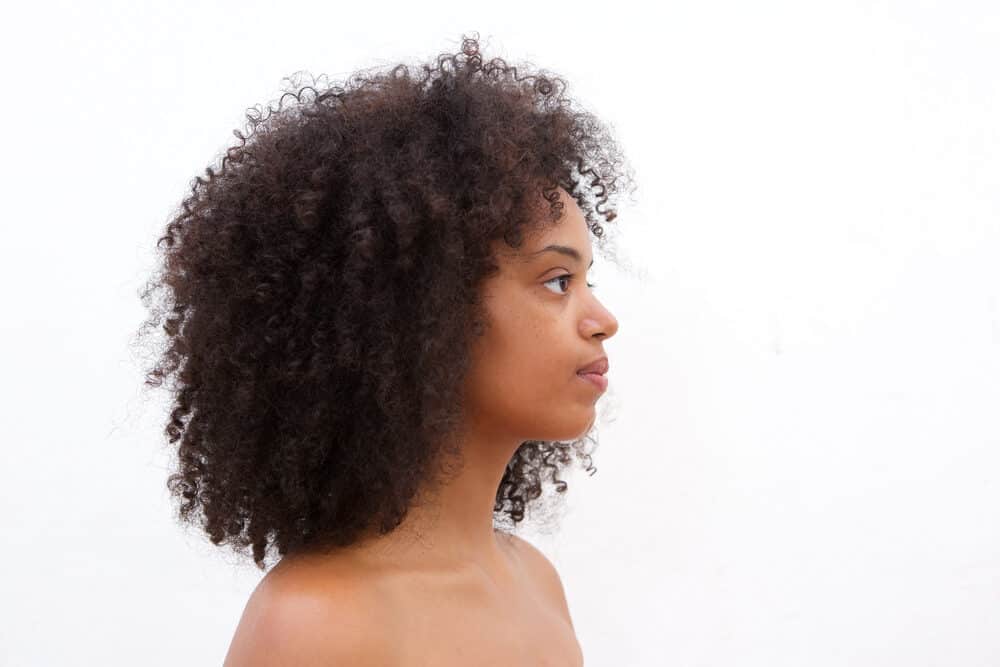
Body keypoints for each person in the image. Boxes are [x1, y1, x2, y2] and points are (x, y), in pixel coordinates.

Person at [137, 31, 632, 665]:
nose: (602, 319)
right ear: (427, 307)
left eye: (589, 280)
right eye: (557, 281)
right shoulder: (317, 623)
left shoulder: (536, 583)